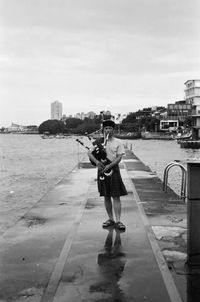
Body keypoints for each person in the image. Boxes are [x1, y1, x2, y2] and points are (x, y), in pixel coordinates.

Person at [88, 120, 127, 231]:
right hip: (102, 170)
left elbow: (119, 157)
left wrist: (110, 166)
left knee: (116, 196)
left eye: (110, 128)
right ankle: (110, 219)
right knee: (106, 196)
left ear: (113, 130)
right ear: (103, 130)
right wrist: (97, 162)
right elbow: (89, 153)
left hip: (113, 170)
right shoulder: (98, 142)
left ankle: (118, 221)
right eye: (106, 128)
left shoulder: (118, 142)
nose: (108, 130)